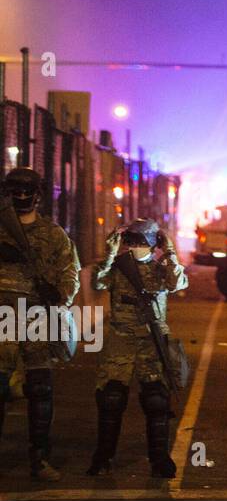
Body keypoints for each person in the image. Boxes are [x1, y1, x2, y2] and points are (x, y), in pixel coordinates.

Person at [86, 219, 188, 479]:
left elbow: (177, 282)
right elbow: (98, 282)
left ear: (154, 245)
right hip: (121, 339)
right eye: (130, 242)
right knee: (111, 399)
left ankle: (159, 460)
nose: (135, 247)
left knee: (156, 400)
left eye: (141, 243)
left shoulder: (160, 269)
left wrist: (170, 253)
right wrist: (110, 253)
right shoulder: (118, 268)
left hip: (150, 341)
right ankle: (103, 457)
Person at [0, 167, 80, 481]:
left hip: (37, 315)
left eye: (27, 191)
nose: (21, 197)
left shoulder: (53, 234)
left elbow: (69, 273)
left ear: (38, 194)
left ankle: (40, 457)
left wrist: (59, 294)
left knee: (40, 386)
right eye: (15, 191)